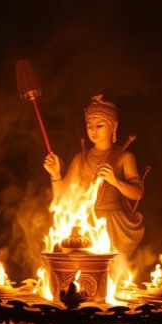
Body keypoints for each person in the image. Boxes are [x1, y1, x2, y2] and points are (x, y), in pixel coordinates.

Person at [42, 95, 145, 259]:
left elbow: (138, 193)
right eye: (89, 126)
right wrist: (55, 175)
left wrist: (115, 181)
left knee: (112, 272)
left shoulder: (125, 157)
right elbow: (62, 200)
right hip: (85, 223)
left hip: (113, 224)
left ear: (114, 126)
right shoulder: (80, 159)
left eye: (100, 125)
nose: (93, 130)